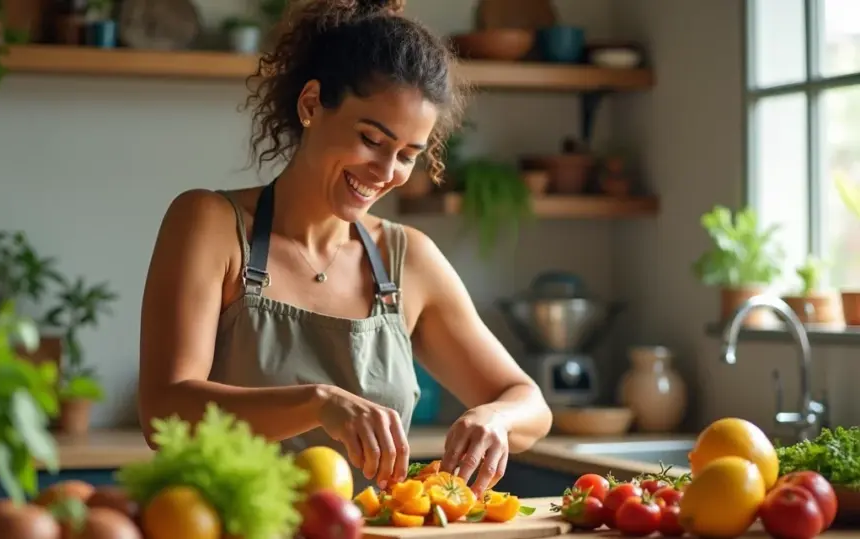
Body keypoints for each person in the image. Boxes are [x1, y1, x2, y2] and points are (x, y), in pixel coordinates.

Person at [138, 0, 553, 496]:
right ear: (311, 105)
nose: (386, 172)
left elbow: (530, 405)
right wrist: (317, 403)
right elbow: (164, 410)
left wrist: (496, 419)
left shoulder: (408, 260)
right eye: (371, 139)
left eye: (406, 156)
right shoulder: (210, 224)